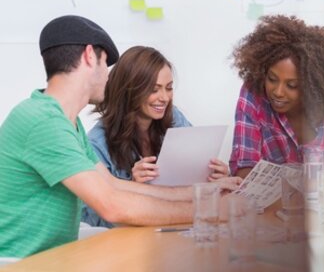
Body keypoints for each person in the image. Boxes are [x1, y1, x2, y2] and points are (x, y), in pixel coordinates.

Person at [0, 15, 240, 258]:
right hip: (19, 263)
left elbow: (114, 185)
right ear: (90, 56)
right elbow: (112, 205)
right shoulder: (43, 121)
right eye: (106, 64)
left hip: (50, 258)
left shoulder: (66, 122)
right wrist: (211, 211)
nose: (108, 76)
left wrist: (204, 193)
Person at [80, 46, 229, 227]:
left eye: (169, 88)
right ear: (130, 90)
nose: (164, 98)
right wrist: (133, 186)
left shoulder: (174, 118)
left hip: (178, 224)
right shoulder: (97, 143)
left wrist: (212, 173)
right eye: (154, 89)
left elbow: (192, 180)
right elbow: (91, 220)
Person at [226, 15, 324, 191]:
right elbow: (244, 172)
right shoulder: (254, 95)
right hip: (272, 207)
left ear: (313, 86)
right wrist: (322, 184)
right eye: (272, 79)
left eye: (292, 85)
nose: (278, 92)